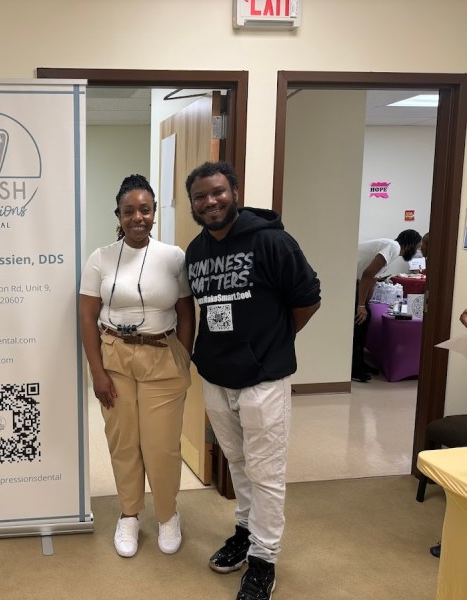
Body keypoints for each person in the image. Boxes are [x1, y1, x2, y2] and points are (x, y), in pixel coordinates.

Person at [184, 161, 321, 600]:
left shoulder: (272, 241)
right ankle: (244, 531)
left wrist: (272, 342)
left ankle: (264, 559)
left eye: (218, 192)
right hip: (216, 375)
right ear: (192, 204)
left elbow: (307, 300)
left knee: (266, 472)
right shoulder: (196, 251)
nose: (210, 202)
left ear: (235, 192)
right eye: (200, 196)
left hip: (263, 378)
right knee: (238, 464)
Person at [79, 174, 195, 558]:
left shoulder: (173, 256)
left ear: (154, 213)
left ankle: (167, 515)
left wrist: (183, 355)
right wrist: (96, 371)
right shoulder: (100, 258)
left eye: (145, 209)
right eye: (129, 211)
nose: (137, 217)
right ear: (119, 215)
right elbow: (87, 315)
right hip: (114, 356)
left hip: (162, 355)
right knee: (123, 441)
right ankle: (129, 514)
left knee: (161, 446)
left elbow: (185, 310)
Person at [352, 230, 422, 382]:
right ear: (409, 243)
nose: (416, 251)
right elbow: (367, 274)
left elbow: (373, 279)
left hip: (356, 282)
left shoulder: (391, 250)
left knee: (365, 318)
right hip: (350, 280)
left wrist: (366, 305)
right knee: (359, 323)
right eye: (416, 247)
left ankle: (359, 363)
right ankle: (354, 368)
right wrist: (361, 306)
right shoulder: (393, 247)